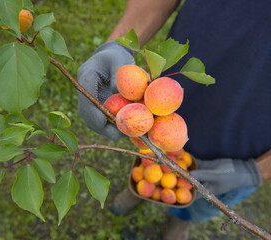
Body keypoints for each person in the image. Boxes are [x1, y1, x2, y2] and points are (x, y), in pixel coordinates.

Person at [77, 0, 271, 239]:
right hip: (164, 110)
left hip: (244, 148)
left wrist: (257, 171)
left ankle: (181, 219)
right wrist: (117, 45)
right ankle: (138, 190)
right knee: (148, 159)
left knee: (201, 201)